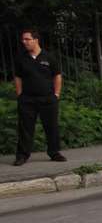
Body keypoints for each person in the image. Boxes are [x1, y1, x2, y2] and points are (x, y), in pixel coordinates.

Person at [13, 28, 66, 165]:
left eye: (27, 39)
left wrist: (56, 94)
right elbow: (18, 77)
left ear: (36, 40)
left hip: (48, 98)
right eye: (23, 39)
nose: (24, 42)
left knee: (51, 126)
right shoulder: (21, 58)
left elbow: (57, 76)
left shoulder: (49, 57)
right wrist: (20, 95)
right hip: (27, 99)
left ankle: (54, 152)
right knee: (25, 127)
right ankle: (22, 155)